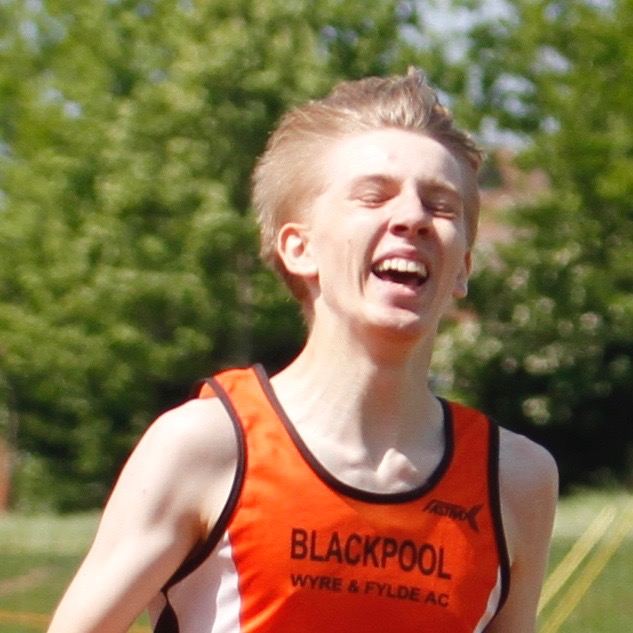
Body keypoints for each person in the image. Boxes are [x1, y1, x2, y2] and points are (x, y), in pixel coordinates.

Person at [47, 68, 558, 633]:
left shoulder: (516, 479)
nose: (412, 217)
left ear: (463, 267)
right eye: (374, 196)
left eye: (441, 206)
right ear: (299, 248)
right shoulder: (204, 447)